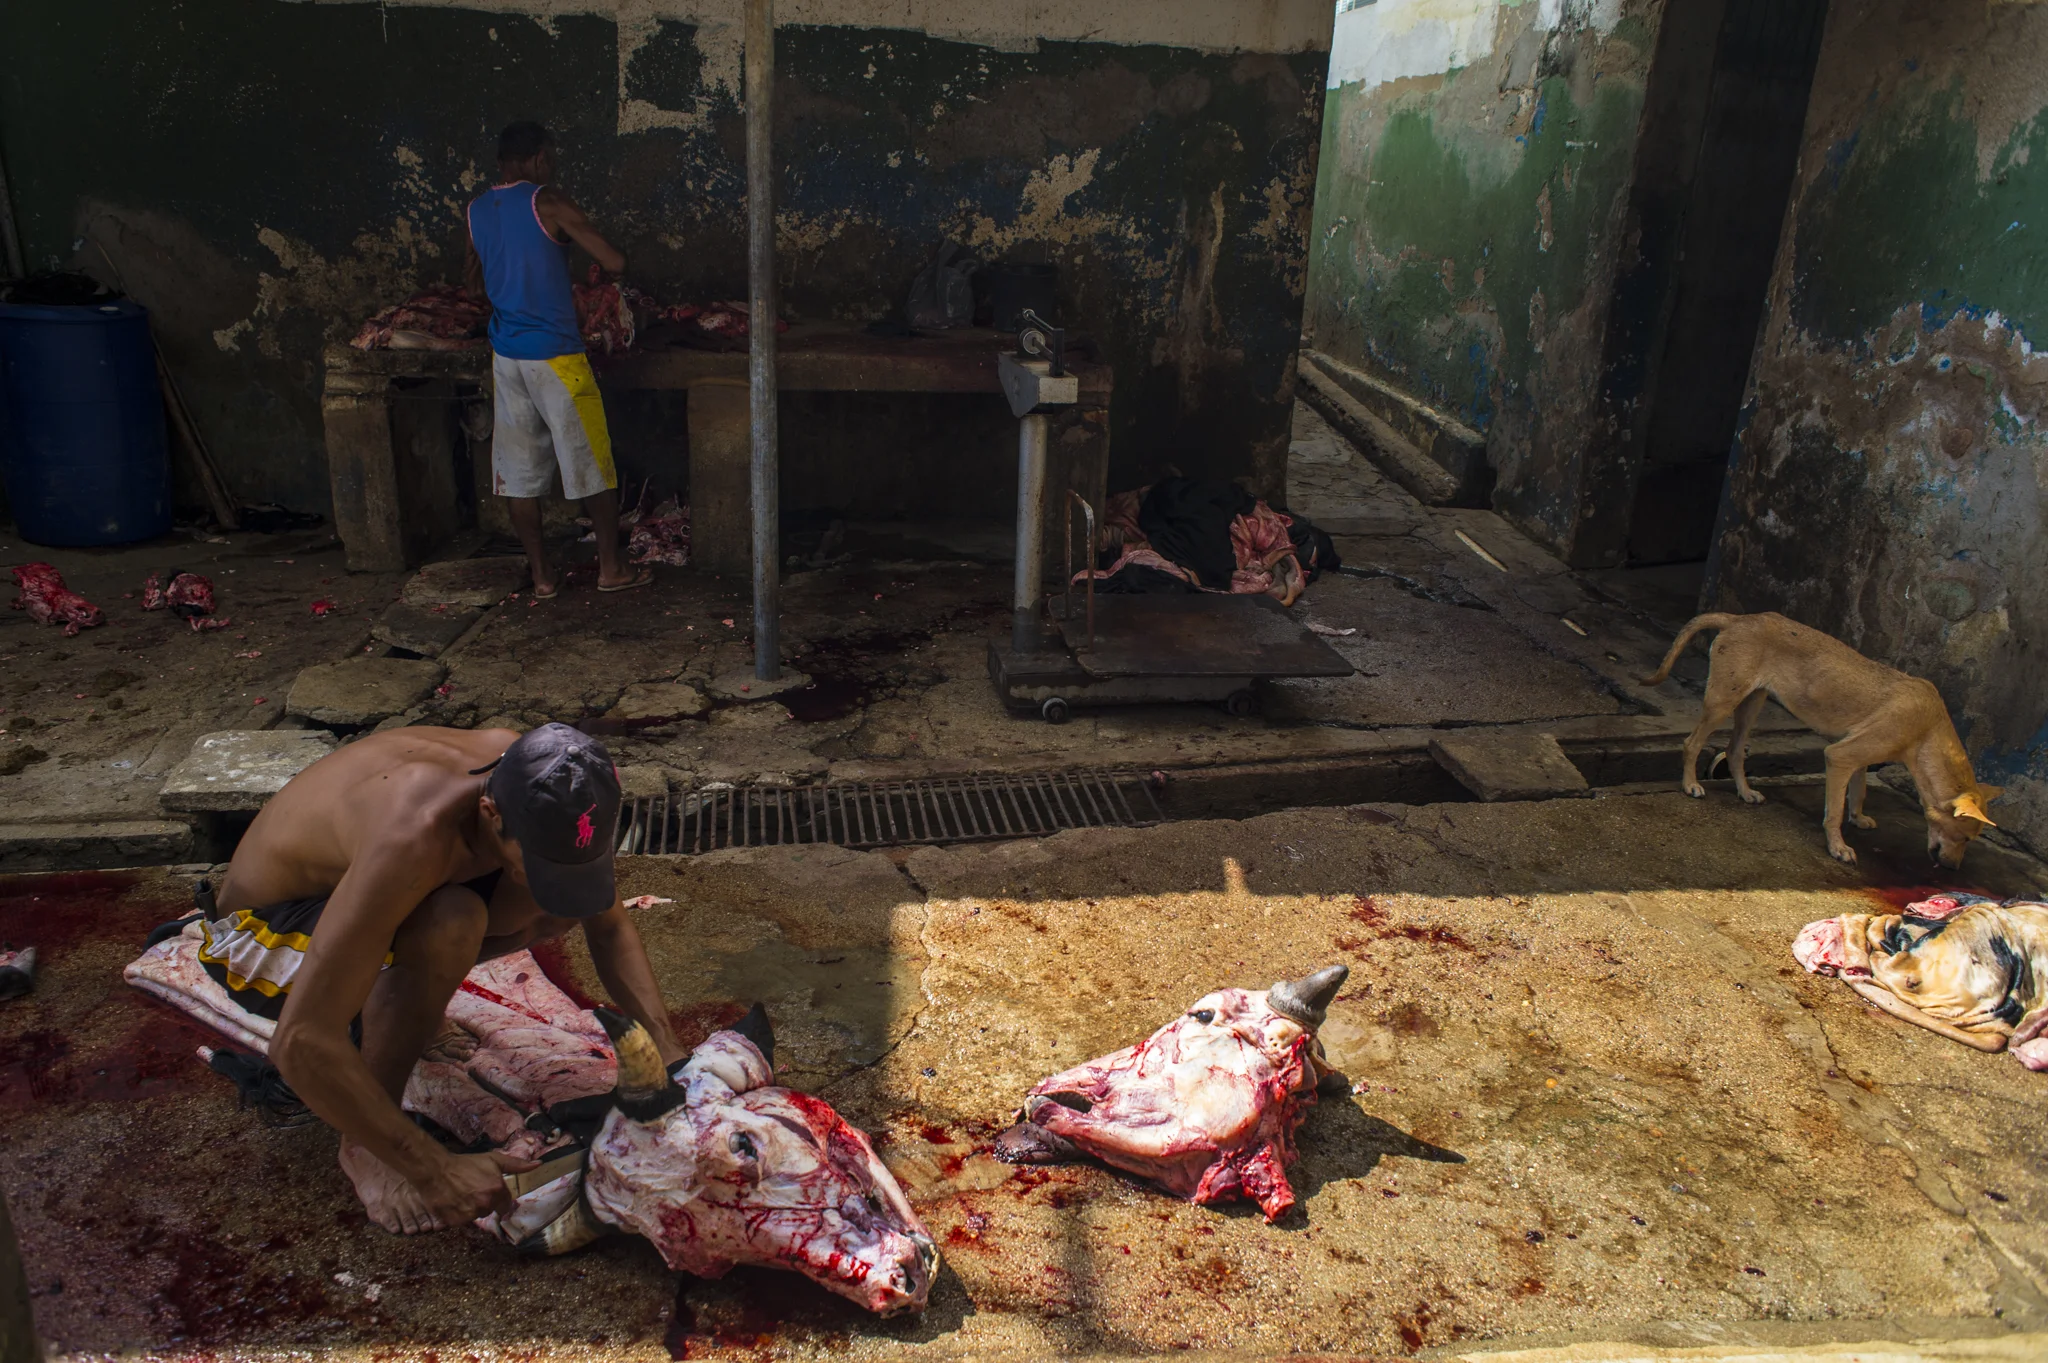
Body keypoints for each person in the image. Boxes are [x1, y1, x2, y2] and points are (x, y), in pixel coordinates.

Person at [197, 723, 684, 1233]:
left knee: (556, 903)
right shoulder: (414, 832)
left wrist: (670, 1051)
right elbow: (301, 1041)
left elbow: (607, 928)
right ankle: (365, 1149)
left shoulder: (554, 786)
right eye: (540, 859)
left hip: (365, 896)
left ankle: (408, 996)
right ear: (490, 815)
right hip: (258, 937)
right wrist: (431, 1169)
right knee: (452, 922)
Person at [464, 120, 650, 596]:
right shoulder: (547, 201)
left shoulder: (477, 209)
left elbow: (470, 282)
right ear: (540, 158)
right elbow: (614, 262)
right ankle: (611, 569)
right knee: (592, 463)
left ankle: (543, 577)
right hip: (558, 358)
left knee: (520, 475)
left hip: (506, 357)